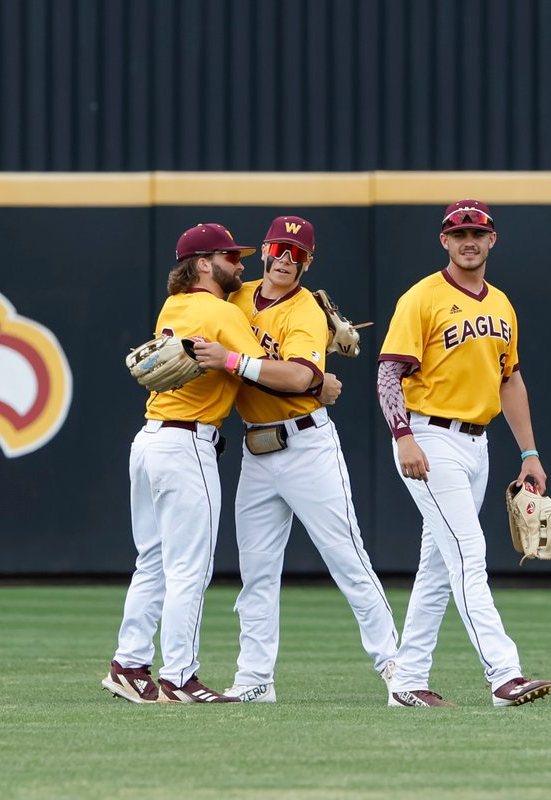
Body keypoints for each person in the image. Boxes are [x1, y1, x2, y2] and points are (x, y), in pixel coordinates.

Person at [103, 223, 320, 705]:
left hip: (150, 440)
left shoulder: (174, 306)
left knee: (153, 561)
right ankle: (180, 678)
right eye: (230, 258)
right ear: (204, 264)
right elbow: (267, 371)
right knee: (190, 569)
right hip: (187, 444)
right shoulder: (220, 311)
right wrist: (319, 382)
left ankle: (130, 664)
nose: (240, 266)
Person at [196, 216, 398, 703]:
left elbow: (297, 377)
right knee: (257, 571)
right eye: (280, 248)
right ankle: (254, 679)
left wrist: (238, 363)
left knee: (347, 558)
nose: (287, 259)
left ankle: (399, 670)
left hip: (306, 444)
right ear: (264, 250)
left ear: (309, 262)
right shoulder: (235, 297)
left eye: (298, 252)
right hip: (255, 447)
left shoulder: (305, 309)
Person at [376, 200, 551, 709]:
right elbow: (389, 373)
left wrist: (530, 452)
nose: (469, 240)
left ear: (492, 239)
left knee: (437, 567)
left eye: (477, 232)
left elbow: (511, 378)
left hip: (478, 443)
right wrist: (403, 435)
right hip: (429, 440)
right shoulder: (422, 298)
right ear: (444, 241)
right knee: (468, 553)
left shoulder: (501, 304)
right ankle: (504, 674)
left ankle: (407, 681)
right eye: (459, 233)